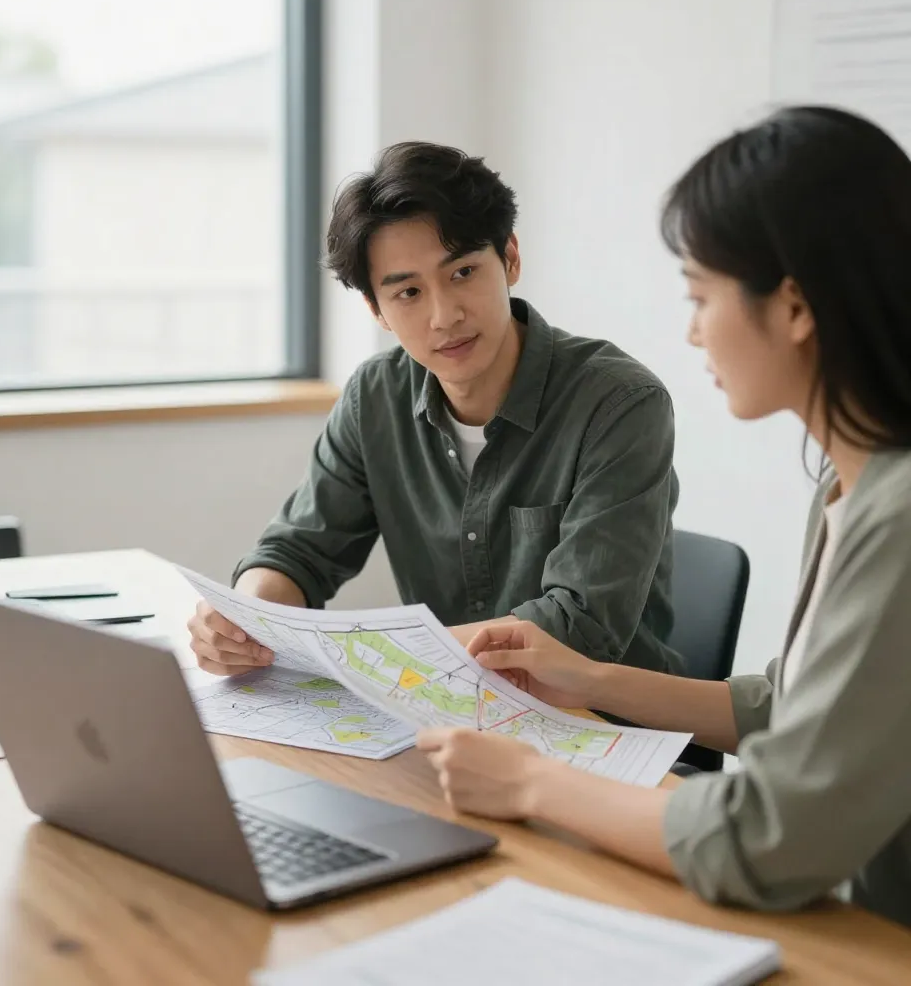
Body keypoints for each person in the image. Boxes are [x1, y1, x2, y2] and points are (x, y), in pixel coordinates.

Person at [417, 106, 911, 927]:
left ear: (792, 306)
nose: (690, 332)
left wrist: (532, 782)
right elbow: (792, 707)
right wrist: (590, 678)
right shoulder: (850, 481)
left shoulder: (896, 515)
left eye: (701, 296)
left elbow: (769, 838)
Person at [189, 142, 682, 677]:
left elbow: (580, 625)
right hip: (448, 710)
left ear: (510, 258)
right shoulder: (375, 398)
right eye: (408, 294)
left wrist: (387, 659)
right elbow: (300, 553)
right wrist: (245, 619)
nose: (444, 316)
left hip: (603, 724)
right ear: (376, 310)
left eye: (463, 273)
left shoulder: (619, 403)